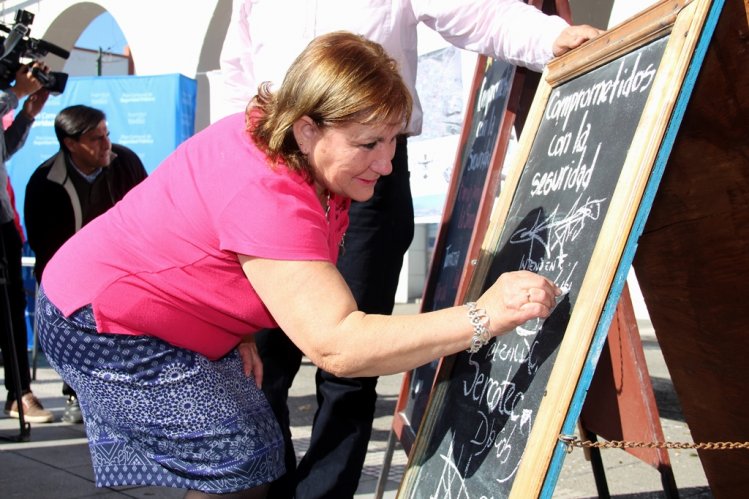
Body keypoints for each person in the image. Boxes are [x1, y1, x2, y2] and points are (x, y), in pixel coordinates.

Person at [36, 32, 560, 498]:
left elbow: (197, 239)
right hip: (99, 320)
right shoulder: (269, 188)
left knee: (254, 447)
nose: (387, 162)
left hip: (142, 309)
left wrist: (234, 328)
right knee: (236, 457)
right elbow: (338, 344)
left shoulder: (280, 138)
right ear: (308, 128)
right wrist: (483, 317)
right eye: (369, 143)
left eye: (394, 139)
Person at [219, 1, 602, 496]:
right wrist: (238, 159)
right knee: (260, 354)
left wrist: (549, 37)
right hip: (274, 169)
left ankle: (324, 493)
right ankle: (266, 486)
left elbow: (472, 10)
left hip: (366, 172)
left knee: (354, 361)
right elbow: (237, 73)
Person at [24, 104, 148, 424]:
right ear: (70, 143)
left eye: (107, 134)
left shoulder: (126, 162)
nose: (106, 145)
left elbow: (147, 211)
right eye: (96, 139)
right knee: (77, 333)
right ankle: (76, 395)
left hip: (123, 269)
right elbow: (44, 245)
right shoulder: (44, 181)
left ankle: (129, 396)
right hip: (71, 277)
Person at [0, 62, 52, 424]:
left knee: (12, 306)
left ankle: (19, 391)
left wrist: (28, 114)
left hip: (1, 219)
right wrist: (15, 94)